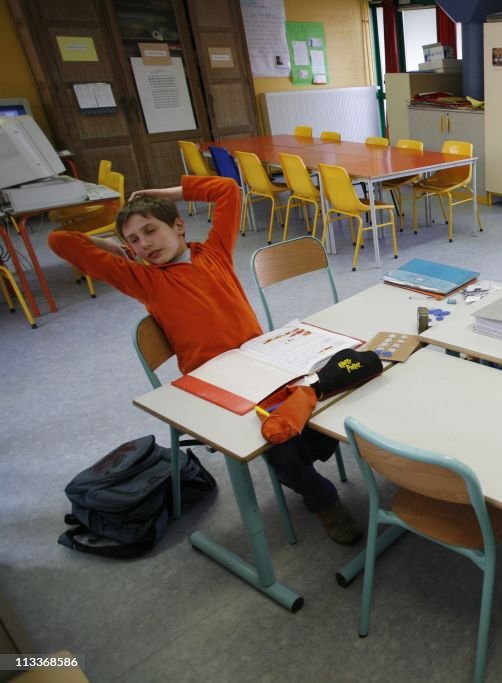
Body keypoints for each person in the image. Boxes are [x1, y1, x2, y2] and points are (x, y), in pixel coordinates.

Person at [48, 175, 362, 545]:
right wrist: (119, 249)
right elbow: (59, 241)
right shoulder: (144, 280)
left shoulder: (213, 252)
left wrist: (162, 191)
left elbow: (227, 190)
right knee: (280, 443)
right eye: (135, 239)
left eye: (151, 230)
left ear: (179, 226)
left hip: (267, 363)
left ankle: (308, 456)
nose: (145, 244)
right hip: (219, 385)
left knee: (336, 392)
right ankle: (322, 500)